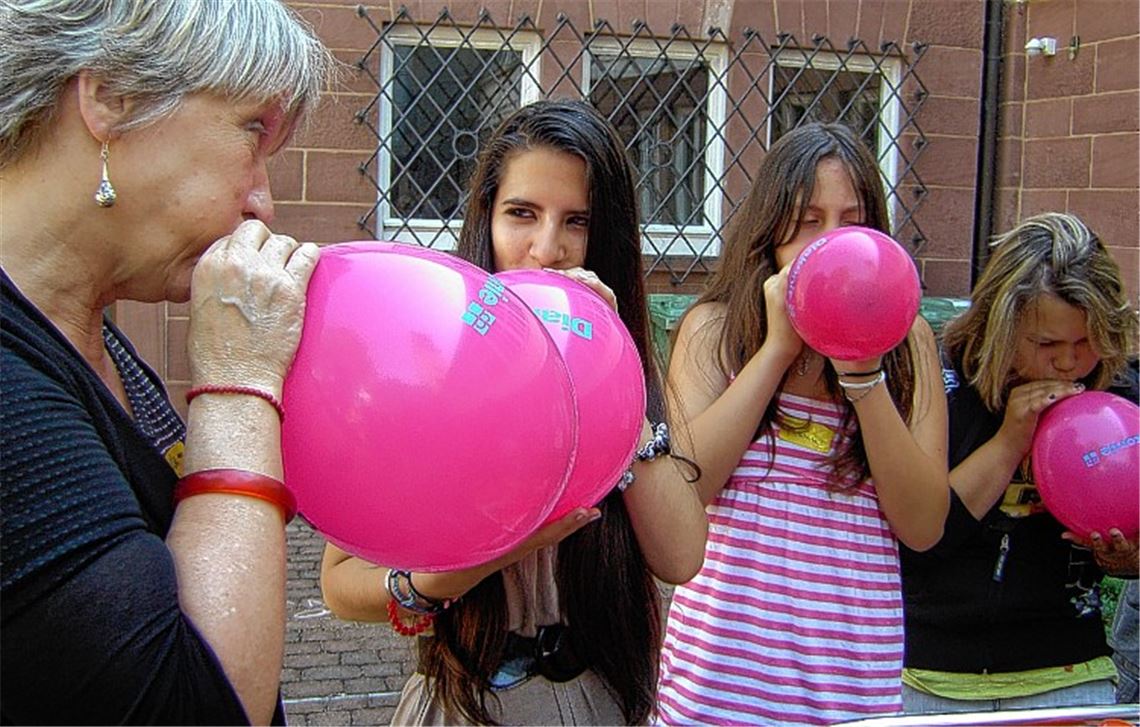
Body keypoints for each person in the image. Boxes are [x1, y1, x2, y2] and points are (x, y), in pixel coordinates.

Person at [319, 100, 709, 725]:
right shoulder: (436, 362)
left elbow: (681, 556)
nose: (546, 249)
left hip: (598, 696)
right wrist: (457, 571)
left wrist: (612, 384)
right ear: (487, 221)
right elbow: (340, 583)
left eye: (576, 222)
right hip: (468, 700)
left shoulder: (626, 366)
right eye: (522, 214)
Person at [0, 1, 333, 723]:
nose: (262, 202)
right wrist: (239, 382)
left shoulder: (85, 329)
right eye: (253, 131)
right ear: (111, 96)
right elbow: (194, 704)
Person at [654, 122, 951, 726]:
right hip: (716, 693)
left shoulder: (909, 341)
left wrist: (863, 377)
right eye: (808, 220)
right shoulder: (714, 331)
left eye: (852, 219)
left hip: (850, 694)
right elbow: (684, 493)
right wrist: (776, 352)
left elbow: (923, 526)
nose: (831, 241)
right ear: (771, 230)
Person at [900, 212, 1140, 713]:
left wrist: (1131, 560)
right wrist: (1010, 441)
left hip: (1068, 670)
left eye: (1086, 341)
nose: (1070, 363)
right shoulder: (943, 387)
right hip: (929, 672)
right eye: (1046, 345)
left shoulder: (1121, 402)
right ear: (1000, 327)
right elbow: (919, 542)